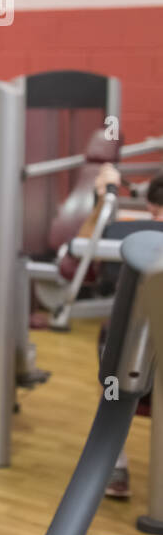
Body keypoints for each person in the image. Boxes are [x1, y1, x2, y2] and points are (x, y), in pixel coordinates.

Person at [87, 166, 163, 498]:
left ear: (152, 208)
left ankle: (114, 461)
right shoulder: (132, 237)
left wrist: (104, 196)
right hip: (143, 353)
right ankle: (114, 461)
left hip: (137, 357)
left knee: (115, 340)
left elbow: (83, 250)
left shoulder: (128, 235)